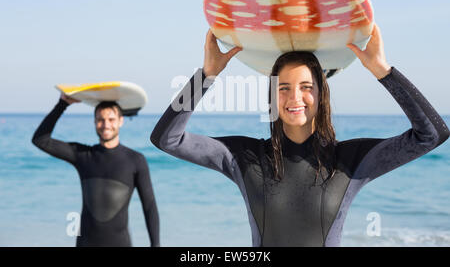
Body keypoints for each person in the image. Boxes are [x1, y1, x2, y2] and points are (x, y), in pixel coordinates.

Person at [151, 24, 449, 246]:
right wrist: (207, 74)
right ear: (273, 97)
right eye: (284, 88)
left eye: (307, 87)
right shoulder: (244, 157)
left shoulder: (349, 161)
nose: (295, 97)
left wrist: (383, 71)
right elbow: (167, 139)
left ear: (321, 95)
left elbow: (432, 134)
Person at [32, 97, 160, 247]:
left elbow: (149, 206)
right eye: (100, 119)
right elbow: (40, 140)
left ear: (121, 121)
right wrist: (63, 103)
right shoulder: (82, 155)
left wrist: (155, 245)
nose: (106, 125)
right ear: (94, 122)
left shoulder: (135, 160)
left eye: (111, 119)